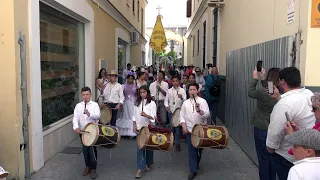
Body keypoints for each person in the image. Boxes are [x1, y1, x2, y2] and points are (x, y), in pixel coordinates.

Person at [266, 67, 315, 180]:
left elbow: (275, 131)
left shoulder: (284, 104)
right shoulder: (309, 93)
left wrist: (271, 148)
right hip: (307, 154)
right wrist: (279, 98)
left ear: (282, 82)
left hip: (287, 157)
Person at [248, 67, 280, 180]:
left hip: (262, 128)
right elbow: (270, 90)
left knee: (263, 159)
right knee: (273, 159)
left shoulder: (263, 91)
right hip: (276, 129)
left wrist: (255, 79)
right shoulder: (280, 93)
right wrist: (264, 78)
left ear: (269, 78)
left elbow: (250, 92)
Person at [180, 82, 210, 180]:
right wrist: (183, 126)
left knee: (199, 150)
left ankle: (196, 163)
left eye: (194, 89)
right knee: (191, 151)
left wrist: (199, 111)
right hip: (189, 130)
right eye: (190, 90)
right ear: (188, 91)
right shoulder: (185, 103)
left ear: (197, 91)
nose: (192, 91)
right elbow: (182, 116)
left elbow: (207, 115)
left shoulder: (203, 101)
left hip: (201, 130)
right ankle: (193, 170)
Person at [72, 87, 101, 179]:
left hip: (93, 131)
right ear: (81, 95)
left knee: (92, 150)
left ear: (90, 95)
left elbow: (98, 116)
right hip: (82, 131)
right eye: (84, 95)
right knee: (85, 150)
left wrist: (89, 114)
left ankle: (93, 169)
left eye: (87, 94)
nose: (85, 97)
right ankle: (87, 166)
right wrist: (76, 127)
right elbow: (75, 118)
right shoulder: (78, 106)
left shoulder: (95, 105)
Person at [133, 85, 157, 178]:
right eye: (141, 92)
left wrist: (146, 115)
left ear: (147, 93)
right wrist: (134, 125)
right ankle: (140, 168)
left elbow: (153, 118)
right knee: (140, 148)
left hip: (148, 128)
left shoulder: (152, 103)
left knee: (149, 147)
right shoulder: (137, 102)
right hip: (139, 128)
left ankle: (148, 163)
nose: (142, 94)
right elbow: (134, 115)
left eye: (144, 92)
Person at [165, 75, 187, 152]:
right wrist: (167, 106)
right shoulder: (169, 90)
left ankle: (177, 144)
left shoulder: (182, 90)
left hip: (179, 112)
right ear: (171, 82)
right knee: (171, 127)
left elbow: (185, 101)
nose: (175, 83)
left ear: (179, 81)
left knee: (177, 128)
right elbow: (166, 100)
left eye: (176, 81)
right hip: (171, 111)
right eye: (173, 81)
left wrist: (181, 98)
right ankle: (172, 140)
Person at [116, 71, 137, 139]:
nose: (130, 80)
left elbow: (137, 95)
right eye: (129, 78)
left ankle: (132, 132)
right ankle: (124, 132)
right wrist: (121, 104)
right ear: (127, 79)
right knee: (125, 116)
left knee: (132, 117)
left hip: (133, 103)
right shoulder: (123, 86)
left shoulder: (136, 86)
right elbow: (121, 96)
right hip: (125, 103)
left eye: (131, 78)